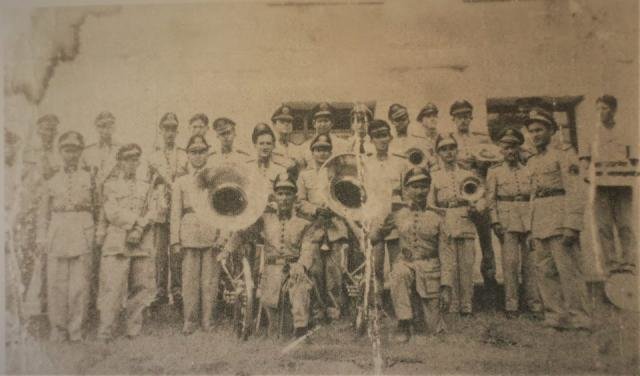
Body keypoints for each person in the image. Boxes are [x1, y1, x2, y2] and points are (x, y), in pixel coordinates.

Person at [226, 173, 322, 338]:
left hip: (294, 269)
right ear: (275, 196)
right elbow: (243, 232)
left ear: (295, 197)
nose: (284, 198)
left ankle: (301, 329)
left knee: (299, 288)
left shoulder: (305, 223)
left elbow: (308, 248)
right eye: (280, 193)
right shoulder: (264, 219)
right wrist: (227, 250)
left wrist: (301, 265)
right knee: (276, 327)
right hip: (271, 272)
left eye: (288, 194)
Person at [525, 107, 591, 331]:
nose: (535, 135)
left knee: (569, 271)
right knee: (545, 273)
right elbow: (533, 196)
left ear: (551, 130)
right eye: (531, 131)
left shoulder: (564, 155)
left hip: (560, 220)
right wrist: (530, 228)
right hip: (540, 222)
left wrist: (572, 225)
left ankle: (580, 319)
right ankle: (555, 317)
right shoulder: (532, 161)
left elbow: (575, 190)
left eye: (539, 130)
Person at [372, 167, 452, 343]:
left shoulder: (438, 216)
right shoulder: (398, 214)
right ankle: (403, 321)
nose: (419, 191)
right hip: (406, 265)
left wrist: (446, 286)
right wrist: (383, 220)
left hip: (430, 269)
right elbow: (374, 238)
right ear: (406, 190)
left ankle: (420, 319)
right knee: (399, 271)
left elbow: (446, 254)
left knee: (432, 331)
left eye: (423, 186)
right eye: (414, 187)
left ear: (429, 188)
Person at [36, 131, 96, 342]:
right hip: (58, 232)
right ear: (61, 152)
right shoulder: (52, 180)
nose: (71, 154)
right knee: (57, 284)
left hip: (81, 231)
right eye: (67, 150)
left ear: (81, 152)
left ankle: (76, 329)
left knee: (79, 285)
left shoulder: (89, 177)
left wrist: (95, 234)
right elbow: (43, 212)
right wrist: (42, 237)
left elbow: (96, 209)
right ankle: (58, 329)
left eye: (75, 150)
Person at [96, 144, 159, 341]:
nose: (131, 163)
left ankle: (133, 329)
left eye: (135, 159)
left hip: (141, 243)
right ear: (120, 162)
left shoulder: (146, 186)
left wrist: (140, 229)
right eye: (127, 159)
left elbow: (154, 210)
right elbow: (112, 212)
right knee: (112, 288)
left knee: (140, 287)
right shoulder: (110, 186)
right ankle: (106, 330)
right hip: (117, 243)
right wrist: (135, 223)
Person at [486, 128, 541, 319]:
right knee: (510, 263)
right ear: (501, 149)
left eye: (514, 147)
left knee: (531, 264)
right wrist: (495, 221)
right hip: (507, 220)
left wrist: (535, 221)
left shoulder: (528, 170)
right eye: (506, 147)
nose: (510, 151)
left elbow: (534, 196)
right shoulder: (494, 172)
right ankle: (512, 305)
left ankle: (533, 303)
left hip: (527, 220)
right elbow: (490, 199)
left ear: (519, 148)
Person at [428, 134, 486, 316]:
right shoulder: (433, 177)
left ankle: (466, 305)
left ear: (457, 150)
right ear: (438, 153)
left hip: (465, 221)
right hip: (445, 222)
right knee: (449, 266)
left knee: (467, 265)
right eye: (444, 149)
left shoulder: (468, 174)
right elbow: (429, 204)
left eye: (452, 148)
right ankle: (451, 306)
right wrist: (441, 214)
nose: (448, 152)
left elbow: (480, 197)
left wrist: (476, 207)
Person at [170, 135, 223, 334]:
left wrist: (222, 235)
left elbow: (223, 209)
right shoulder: (181, 182)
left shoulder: (215, 179)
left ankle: (208, 320)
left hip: (211, 230)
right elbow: (175, 213)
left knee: (210, 280)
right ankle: (190, 321)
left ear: (208, 153)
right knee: (190, 281)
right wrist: (175, 239)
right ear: (187, 154)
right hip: (189, 232)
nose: (198, 156)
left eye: (202, 151)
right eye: (194, 151)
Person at [579, 95, 637, 275]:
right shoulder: (589, 132)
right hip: (600, 186)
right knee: (603, 226)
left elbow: (635, 159)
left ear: (613, 110)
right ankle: (610, 264)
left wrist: (631, 176)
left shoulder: (626, 130)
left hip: (622, 185)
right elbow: (584, 160)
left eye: (604, 108)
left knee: (625, 224)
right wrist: (586, 176)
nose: (600, 112)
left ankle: (629, 263)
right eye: (597, 109)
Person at [297, 133, 351, 320]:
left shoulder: (339, 174)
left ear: (330, 151)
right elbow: (300, 202)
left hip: (335, 227)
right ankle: (318, 311)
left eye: (326, 149)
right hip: (314, 228)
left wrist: (335, 208)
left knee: (334, 271)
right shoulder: (305, 176)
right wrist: (315, 210)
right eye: (318, 149)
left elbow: (347, 199)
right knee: (314, 270)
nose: (322, 153)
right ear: (312, 152)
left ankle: (334, 310)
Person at [449, 100, 498, 301]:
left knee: (486, 241)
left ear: (471, 118)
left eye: (466, 116)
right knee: (459, 241)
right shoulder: (449, 140)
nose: (463, 120)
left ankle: (490, 284)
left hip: (480, 194)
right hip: (459, 194)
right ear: (453, 119)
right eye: (459, 116)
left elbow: (494, 160)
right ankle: (459, 291)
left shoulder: (482, 139)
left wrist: (484, 163)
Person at [22, 114, 62, 317]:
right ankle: (18, 306)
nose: (49, 134)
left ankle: (46, 306)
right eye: (46, 129)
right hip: (31, 215)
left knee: (50, 261)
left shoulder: (60, 155)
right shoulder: (27, 155)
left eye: (53, 130)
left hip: (53, 215)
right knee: (26, 259)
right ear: (39, 130)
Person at [147, 112, 188, 309]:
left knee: (177, 251)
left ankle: (177, 291)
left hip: (177, 209)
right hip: (161, 209)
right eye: (166, 129)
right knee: (160, 253)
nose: (170, 133)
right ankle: (160, 291)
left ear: (177, 131)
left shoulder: (183, 154)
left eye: (173, 129)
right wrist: (157, 180)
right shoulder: (153, 155)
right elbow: (146, 184)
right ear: (161, 131)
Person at [299, 102, 350, 168]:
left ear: (332, 123)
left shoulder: (342, 145)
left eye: (326, 121)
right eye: (319, 121)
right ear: (314, 123)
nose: (323, 124)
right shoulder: (305, 146)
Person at [389, 103, 438, 170]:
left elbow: (433, 164)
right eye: (397, 120)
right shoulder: (389, 145)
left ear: (408, 119)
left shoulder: (420, 141)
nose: (401, 122)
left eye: (403, 119)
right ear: (392, 122)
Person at [81, 111, 121, 189]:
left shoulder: (121, 149)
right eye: (102, 126)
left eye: (110, 126)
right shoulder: (87, 151)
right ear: (96, 128)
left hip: (114, 193)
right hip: (93, 192)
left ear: (114, 128)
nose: (106, 130)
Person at [271, 104, 304, 173]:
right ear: (274, 125)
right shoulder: (269, 146)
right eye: (282, 121)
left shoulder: (296, 148)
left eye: (289, 121)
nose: (286, 124)